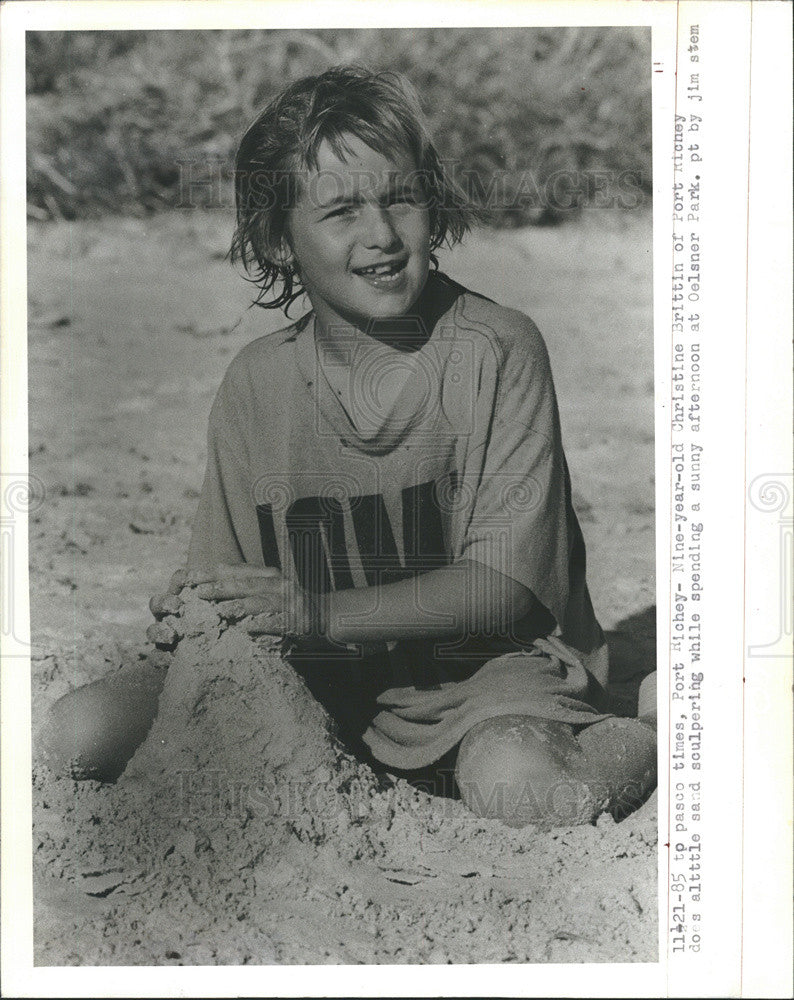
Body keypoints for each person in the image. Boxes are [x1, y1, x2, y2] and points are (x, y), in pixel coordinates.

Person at [55, 66, 657, 827]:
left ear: (431, 204)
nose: (380, 233)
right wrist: (195, 608)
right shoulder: (257, 385)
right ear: (278, 238)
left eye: (400, 197)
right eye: (340, 210)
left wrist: (315, 613)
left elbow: (501, 589)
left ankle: (650, 735)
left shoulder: (497, 350)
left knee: (518, 786)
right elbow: (235, 580)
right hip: (322, 680)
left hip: (485, 681)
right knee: (80, 732)